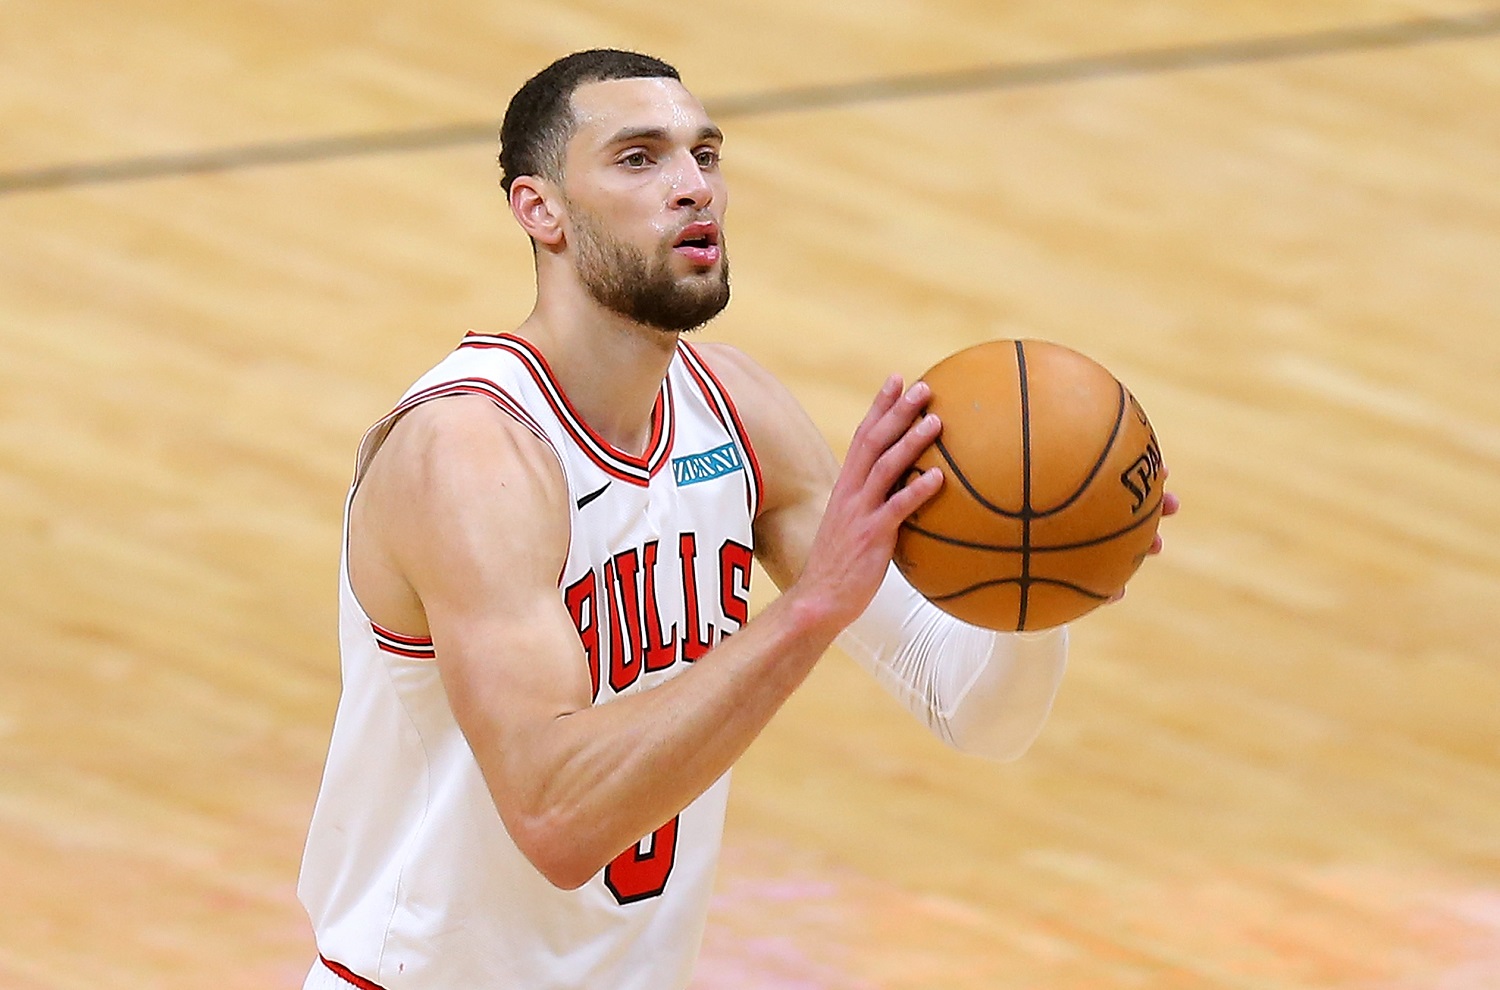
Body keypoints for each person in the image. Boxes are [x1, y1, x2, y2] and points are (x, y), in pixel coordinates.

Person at [297, 48, 1175, 990]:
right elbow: (557, 817)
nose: (692, 187)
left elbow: (964, 703)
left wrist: (1040, 583)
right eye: (639, 159)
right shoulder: (470, 452)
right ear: (538, 209)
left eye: (704, 155)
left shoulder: (735, 410)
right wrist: (806, 613)